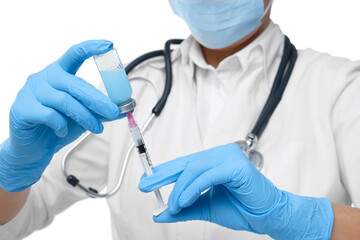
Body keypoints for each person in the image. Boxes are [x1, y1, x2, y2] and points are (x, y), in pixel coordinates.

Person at [1, 0, 360, 239]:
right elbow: (16, 219)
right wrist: (13, 168)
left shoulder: (342, 88)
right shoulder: (135, 85)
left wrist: (301, 218)